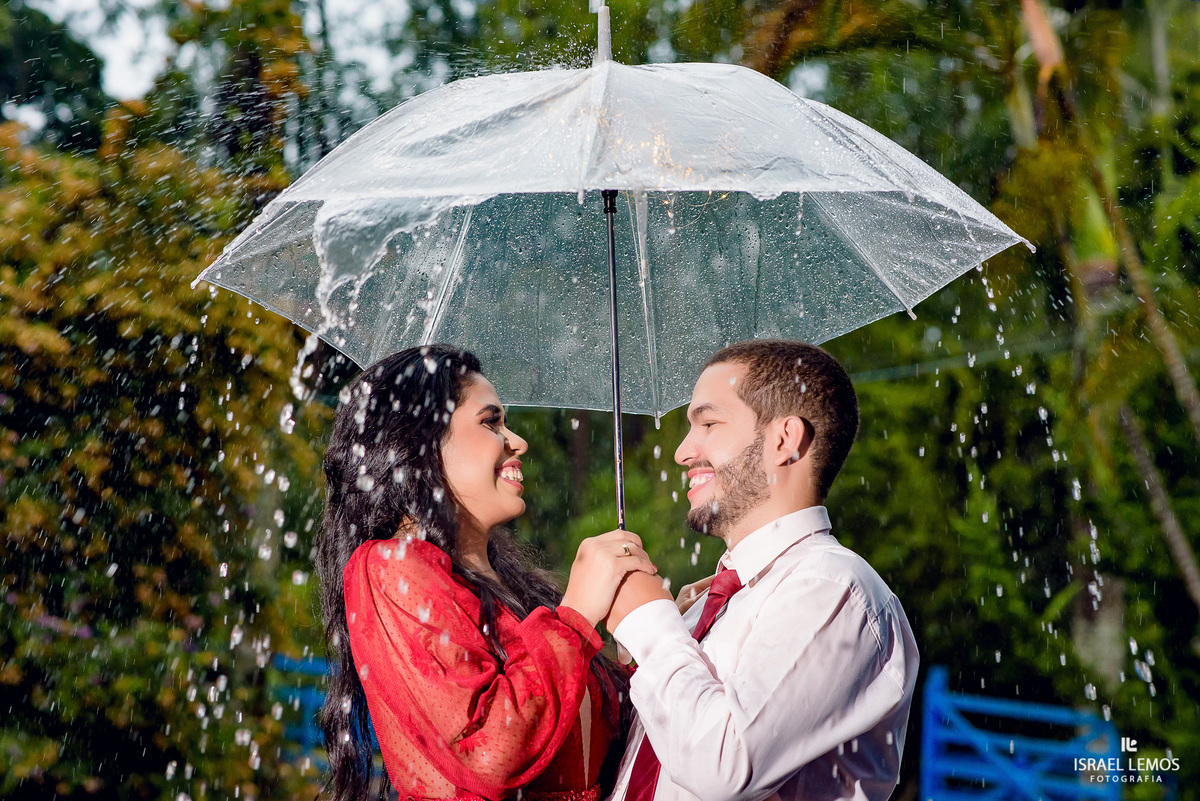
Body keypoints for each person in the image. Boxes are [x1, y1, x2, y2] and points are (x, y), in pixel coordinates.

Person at [315, 345, 656, 801]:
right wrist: (575, 618)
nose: (517, 441)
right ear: (420, 443)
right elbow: (491, 750)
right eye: (490, 421)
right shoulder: (390, 568)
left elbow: (601, 749)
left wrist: (649, 636)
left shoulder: (515, 588)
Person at [604, 340, 920, 801]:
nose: (682, 451)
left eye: (708, 423)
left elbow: (723, 766)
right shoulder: (699, 611)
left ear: (784, 440)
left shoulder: (833, 589)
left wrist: (651, 626)